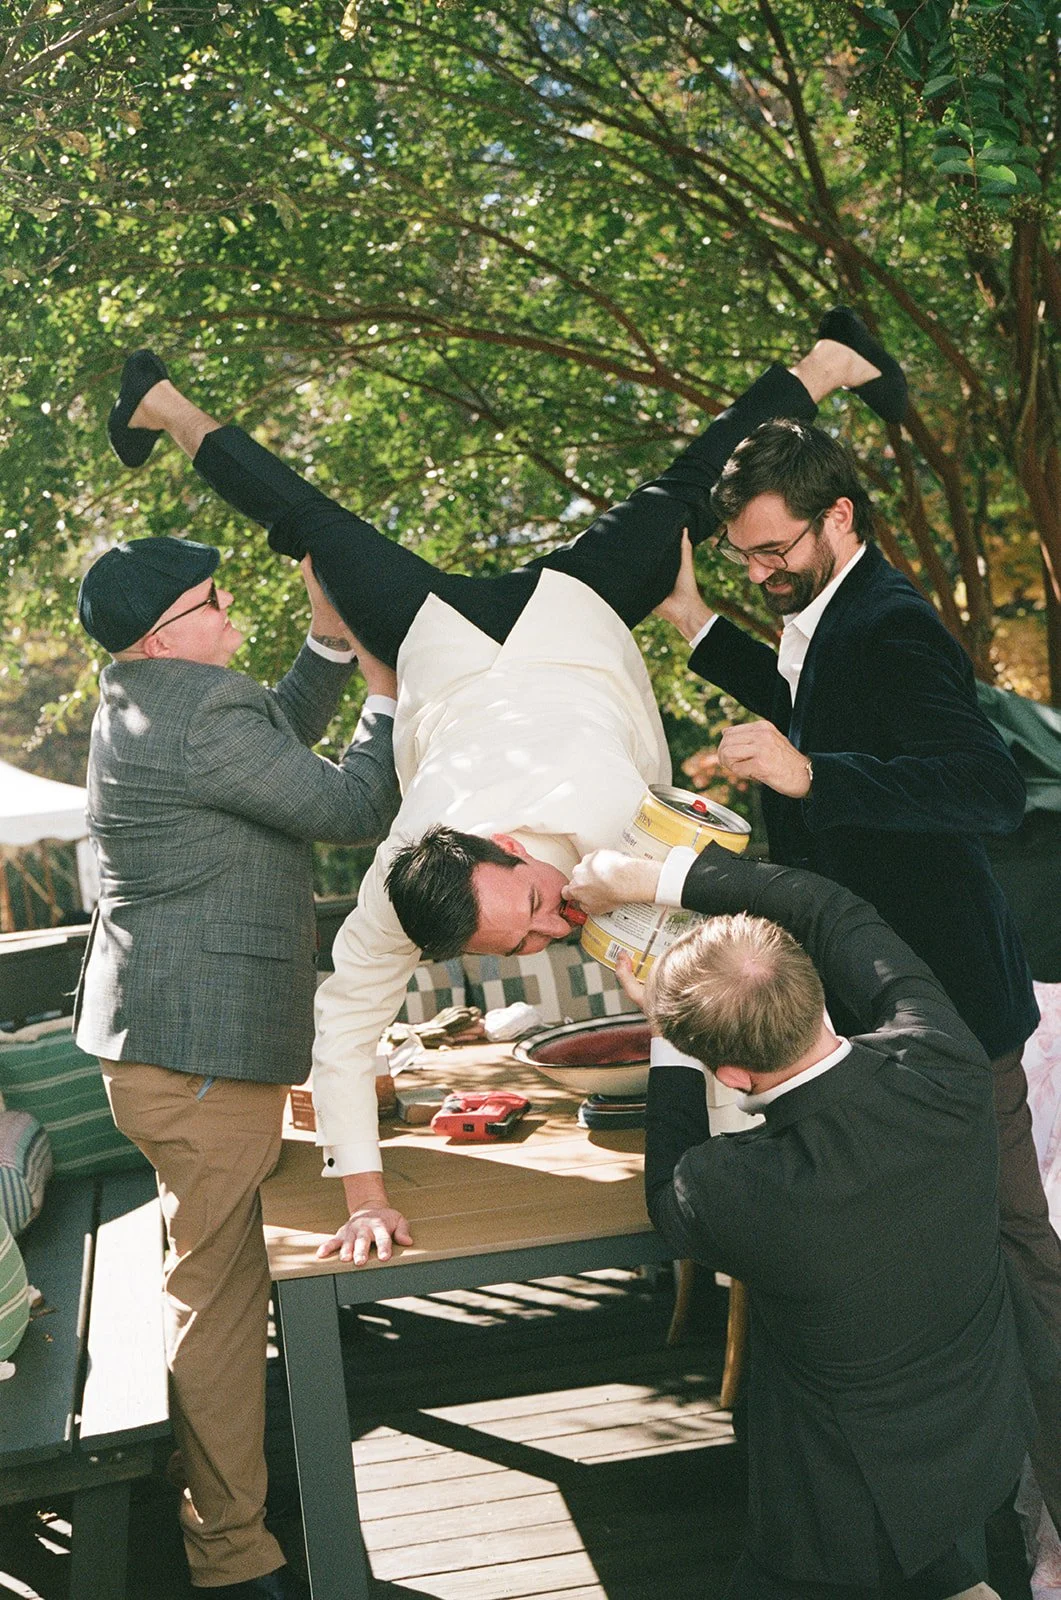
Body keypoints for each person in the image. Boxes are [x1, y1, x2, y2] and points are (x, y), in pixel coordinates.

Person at [104, 309, 905, 1269]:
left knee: (677, 490)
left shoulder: (628, 831)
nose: (546, 926)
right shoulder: (402, 890)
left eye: (530, 905)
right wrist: (362, 1194)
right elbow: (344, 1032)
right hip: (491, 630)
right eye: (521, 940)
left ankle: (828, 363)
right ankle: (159, 401)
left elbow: (731, 981)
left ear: (507, 849)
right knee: (314, 527)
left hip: (489, 619)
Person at [651, 401, 1061, 1530]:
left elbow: (979, 790)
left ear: (839, 516)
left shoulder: (890, 622)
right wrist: (694, 619)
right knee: (954, 1257)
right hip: (888, 1004)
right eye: (743, 556)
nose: (761, 571)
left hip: (950, 1010)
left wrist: (808, 777)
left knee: (1015, 1259)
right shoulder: (828, 609)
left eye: (773, 550)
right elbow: (809, 702)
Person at [564, 842, 1044, 1600]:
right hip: (980, 1423)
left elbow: (667, 1194)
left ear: (730, 1075)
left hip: (841, 1507)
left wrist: (663, 1039)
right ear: (814, 991)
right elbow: (831, 907)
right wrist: (660, 877)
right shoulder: (945, 1057)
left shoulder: (739, 1187)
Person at [74, 523, 400, 1598]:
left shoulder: (144, 698)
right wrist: (388, 695)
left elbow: (268, 739)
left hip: (165, 1045)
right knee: (217, 1300)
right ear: (166, 638)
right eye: (212, 604)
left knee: (211, 1286)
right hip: (200, 1056)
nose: (231, 615)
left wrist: (326, 643)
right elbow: (350, 805)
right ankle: (231, 1551)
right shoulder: (201, 710)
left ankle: (227, 1492)